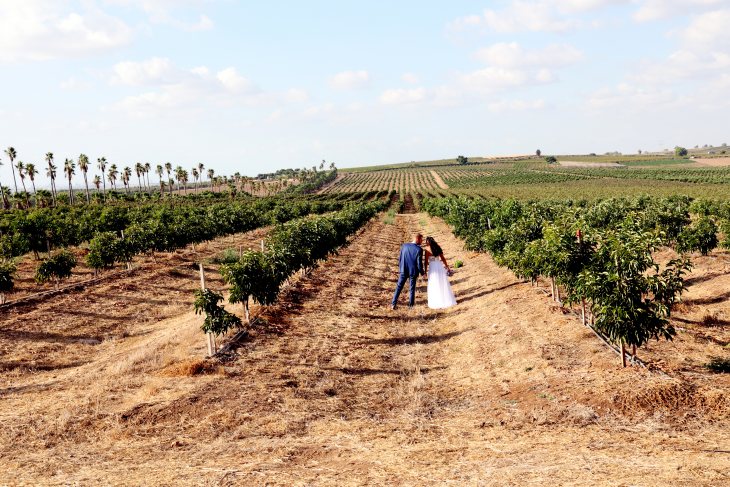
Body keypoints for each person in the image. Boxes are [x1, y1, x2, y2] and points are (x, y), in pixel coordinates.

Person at [391, 233, 425, 309]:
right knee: (412, 289)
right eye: (421, 240)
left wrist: (400, 267)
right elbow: (419, 264)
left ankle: (393, 303)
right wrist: (422, 273)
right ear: (417, 239)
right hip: (413, 272)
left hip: (403, 269)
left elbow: (400, 258)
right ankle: (410, 306)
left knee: (399, 287)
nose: (421, 242)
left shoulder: (404, 246)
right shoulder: (419, 249)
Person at [424, 236, 456, 309]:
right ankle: (445, 300)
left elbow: (426, 261)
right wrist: (447, 267)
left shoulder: (427, 249)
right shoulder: (437, 247)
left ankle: (436, 301)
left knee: (434, 283)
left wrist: (425, 271)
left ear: (427, 242)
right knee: (442, 282)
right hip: (439, 266)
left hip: (432, 267)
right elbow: (443, 258)